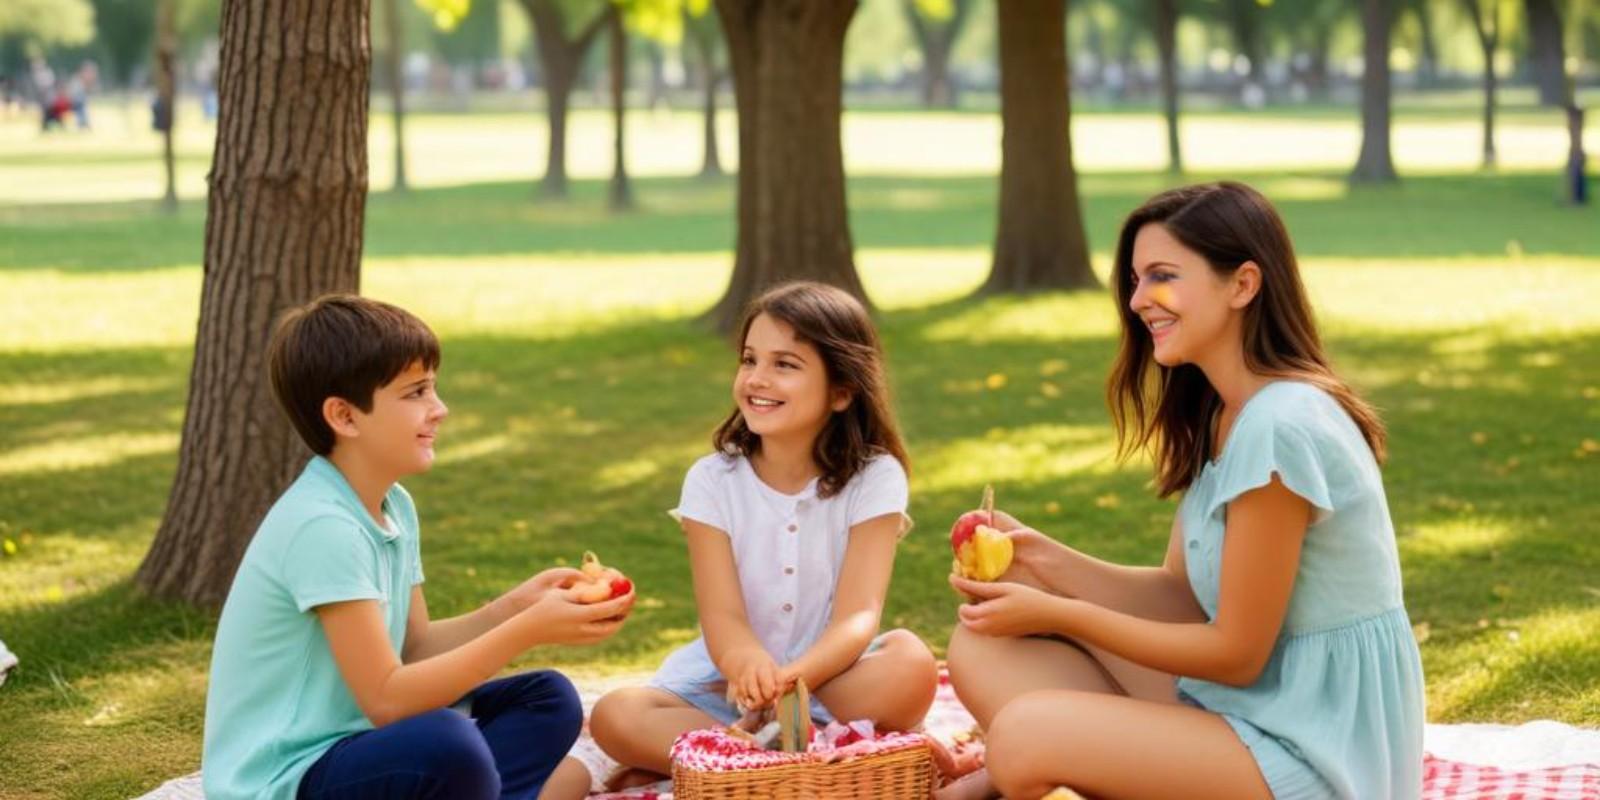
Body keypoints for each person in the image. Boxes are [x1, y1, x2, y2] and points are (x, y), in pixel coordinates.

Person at [944, 182, 1425, 800]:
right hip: (1259, 707)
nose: (1139, 299)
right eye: (1137, 279)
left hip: (1315, 751)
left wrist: (1060, 613)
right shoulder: (1227, 414)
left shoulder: (1281, 427)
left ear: (1243, 285)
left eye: (1162, 276)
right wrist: (1043, 561)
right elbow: (1181, 597)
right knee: (985, 646)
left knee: (1022, 737)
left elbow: (1235, 652)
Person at [202, 295, 635, 800]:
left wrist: (513, 608)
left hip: (361, 745)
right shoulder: (322, 526)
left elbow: (413, 648)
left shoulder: (393, 505)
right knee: (449, 744)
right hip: (287, 778)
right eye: (416, 393)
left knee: (547, 699)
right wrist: (525, 630)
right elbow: (387, 698)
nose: (440, 409)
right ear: (344, 416)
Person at [541, 282, 939, 798]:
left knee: (911, 664)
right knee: (618, 714)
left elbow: (858, 616)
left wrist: (793, 679)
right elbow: (722, 615)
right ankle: (783, 754)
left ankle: (728, 758)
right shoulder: (712, 480)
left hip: (829, 683)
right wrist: (747, 665)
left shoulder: (876, 477)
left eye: (785, 365)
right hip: (727, 690)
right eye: (750, 359)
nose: (757, 379)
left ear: (842, 391)